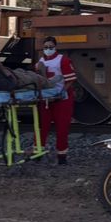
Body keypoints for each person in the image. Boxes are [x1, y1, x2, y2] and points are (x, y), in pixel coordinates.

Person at [37, 36, 77, 165]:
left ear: (55, 47)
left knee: (62, 128)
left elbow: (70, 79)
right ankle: (38, 152)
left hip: (62, 99)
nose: (48, 49)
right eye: (46, 47)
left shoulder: (63, 60)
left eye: (50, 47)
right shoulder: (41, 61)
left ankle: (62, 156)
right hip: (47, 98)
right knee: (42, 126)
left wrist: (63, 91)